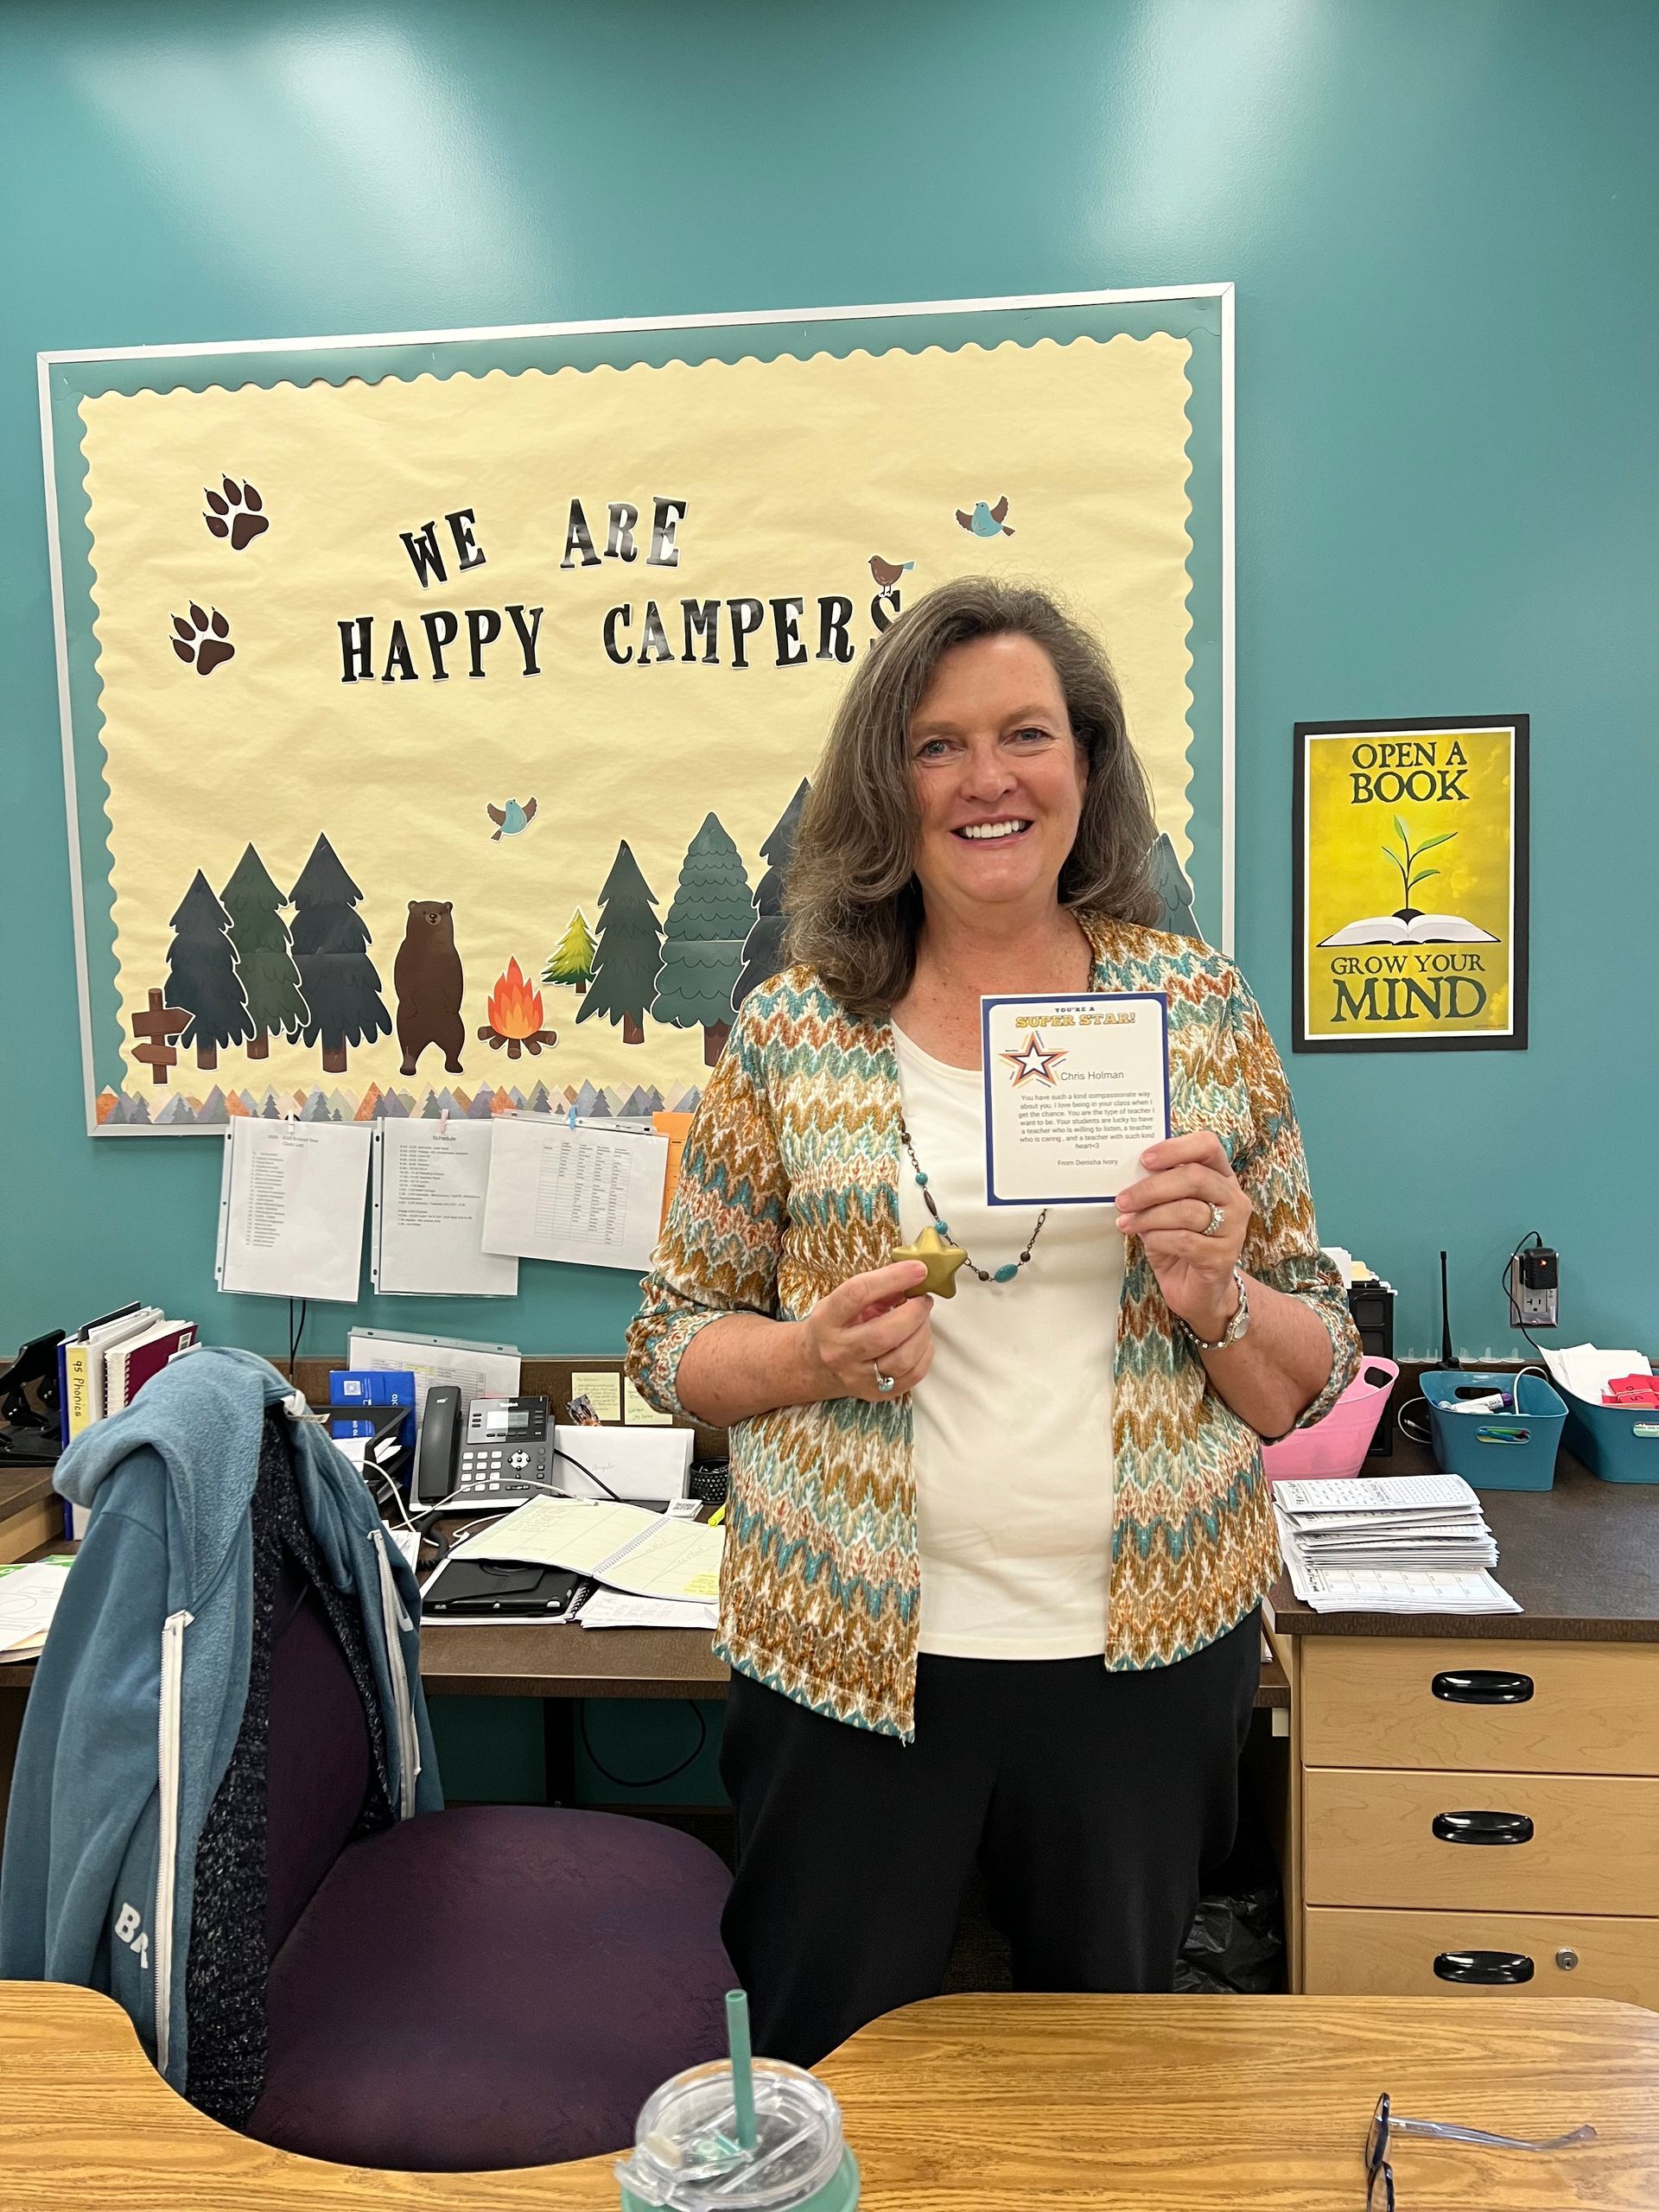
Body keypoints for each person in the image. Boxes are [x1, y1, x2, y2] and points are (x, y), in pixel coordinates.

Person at [626, 577, 1359, 2065]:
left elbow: (1309, 1372)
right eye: (938, 744)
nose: (987, 779)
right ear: (886, 786)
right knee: (829, 2073)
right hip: (846, 1657)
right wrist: (807, 1354)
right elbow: (670, 1343)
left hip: (1144, 1668)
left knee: (1110, 2090)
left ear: (1086, 768)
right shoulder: (793, 1024)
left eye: (1027, 733)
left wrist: (1219, 1296)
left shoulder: (1196, 1007)